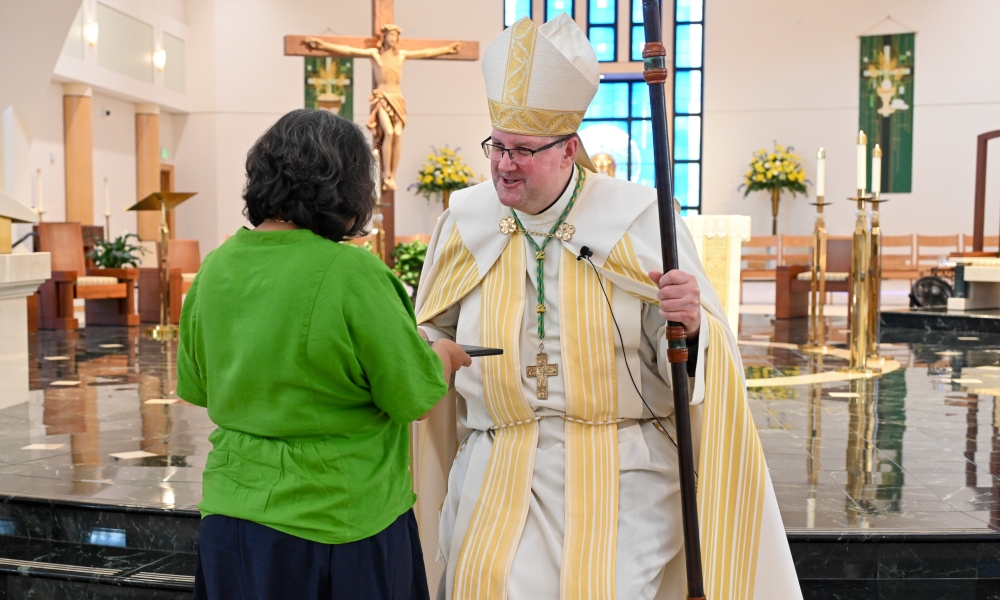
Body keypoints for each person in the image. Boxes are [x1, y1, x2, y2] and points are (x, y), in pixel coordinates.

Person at [414, 14, 802, 600]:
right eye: (497, 145)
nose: (503, 164)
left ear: (570, 148)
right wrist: (427, 348)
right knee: (484, 585)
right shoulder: (465, 223)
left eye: (523, 150)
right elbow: (428, 334)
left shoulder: (636, 219)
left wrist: (690, 324)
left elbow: (694, 351)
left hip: (618, 465)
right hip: (497, 459)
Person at [177, 108, 470, 600]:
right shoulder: (351, 272)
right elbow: (410, 395)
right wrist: (441, 353)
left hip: (232, 518)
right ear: (348, 186)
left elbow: (198, 387)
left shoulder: (216, 266)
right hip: (337, 521)